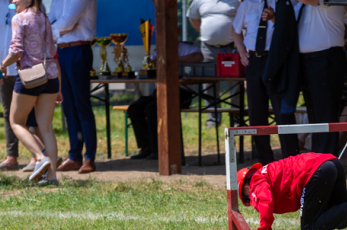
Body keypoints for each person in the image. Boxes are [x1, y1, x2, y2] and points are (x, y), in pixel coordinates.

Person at [0, 0, 60, 186]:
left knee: (16, 122)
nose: (13, 1)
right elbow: (51, 49)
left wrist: (2, 65)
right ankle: (52, 177)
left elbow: (17, 52)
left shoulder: (19, 18)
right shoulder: (45, 17)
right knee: (46, 128)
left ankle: (40, 158)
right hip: (50, 76)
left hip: (30, 77)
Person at [233, 0, 299, 164]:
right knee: (256, 113)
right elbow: (235, 30)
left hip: (275, 60)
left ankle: (290, 159)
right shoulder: (247, 4)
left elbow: (288, 29)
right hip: (254, 60)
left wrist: (274, 18)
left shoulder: (282, 3)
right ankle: (263, 161)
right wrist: (242, 52)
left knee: (282, 112)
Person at [0, 0, 44, 173]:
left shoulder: (31, 7)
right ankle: (11, 157)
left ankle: (36, 158)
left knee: (31, 114)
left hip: (26, 68)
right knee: (8, 113)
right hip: (3, 67)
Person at [128, 42, 201, 161]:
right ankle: (146, 147)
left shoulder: (187, 48)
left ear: (176, 31)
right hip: (160, 91)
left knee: (152, 109)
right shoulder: (159, 50)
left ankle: (158, 150)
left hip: (181, 93)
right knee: (135, 108)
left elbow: (198, 57)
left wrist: (173, 59)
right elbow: (149, 65)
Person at [296, 0, 347, 156]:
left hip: (326, 58)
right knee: (314, 113)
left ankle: (327, 159)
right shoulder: (304, 5)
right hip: (309, 60)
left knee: (325, 112)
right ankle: (318, 157)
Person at [50, 0, 96, 174]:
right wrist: (58, 28)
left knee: (82, 106)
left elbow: (67, 22)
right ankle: (75, 155)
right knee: (69, 107)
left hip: (79, 49)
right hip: (61, 51)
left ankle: (89, 157)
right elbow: (51, 22)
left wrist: (55, 28)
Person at [187, 0, 239, 128]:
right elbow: (192, 18)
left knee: (235, 84)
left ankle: (237, 117)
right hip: (208, 49)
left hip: (231, 48)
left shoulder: (236, 2)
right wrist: (205, 32)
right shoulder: (199, 1)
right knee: (209, 84)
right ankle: (213, 119)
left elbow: (243, 20)